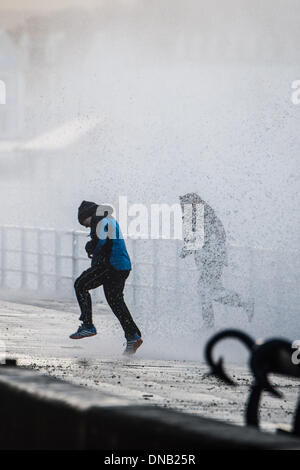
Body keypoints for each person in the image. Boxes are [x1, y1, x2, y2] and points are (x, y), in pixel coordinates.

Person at [70, 200, 143, 355]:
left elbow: (102, 242)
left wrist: (91, 247)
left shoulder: (99, 220)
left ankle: (88, 325)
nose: (86, 227)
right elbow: (104, 240)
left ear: (88, 216)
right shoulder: (106, 218)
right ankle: (133, 336)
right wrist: (93, 246)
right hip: (122, 265)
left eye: (85, 224)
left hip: (111, 266)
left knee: (80, 285)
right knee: (116, 301)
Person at [179, 193, 254, 329]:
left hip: (211, 260)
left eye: (184, 206)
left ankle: (243, 302)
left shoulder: (201, 215)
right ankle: (210, 323)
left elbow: (198, 239)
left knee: (207, 290)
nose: (182, 209)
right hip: (212, 259)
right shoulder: (205, 214)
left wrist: (186, 250)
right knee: (209, 291)